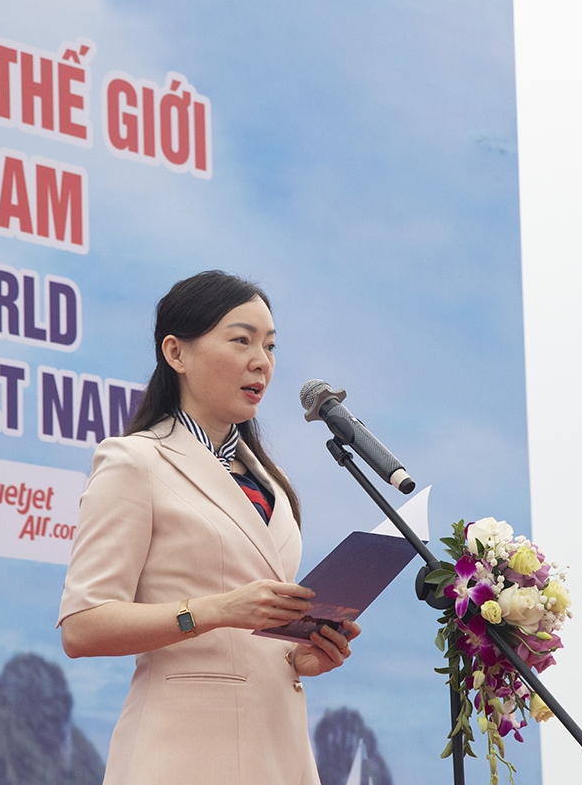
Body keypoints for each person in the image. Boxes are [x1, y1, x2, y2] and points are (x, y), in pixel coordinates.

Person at [57, 270, 359, 785]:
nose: (261, 361)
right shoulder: (134, 462)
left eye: (269, 346)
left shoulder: (273, 482)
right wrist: (217, 610)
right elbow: (83, 627)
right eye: (241, 341)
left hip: (278, 753)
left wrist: (301, 655)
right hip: (181, 754)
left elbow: (253, 639)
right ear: (176, 353)